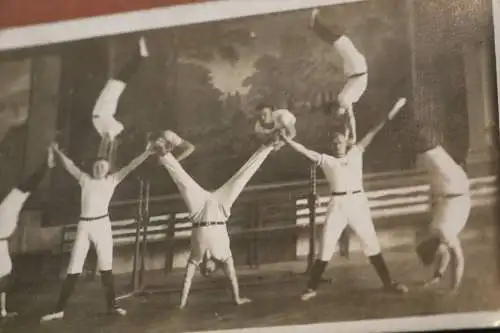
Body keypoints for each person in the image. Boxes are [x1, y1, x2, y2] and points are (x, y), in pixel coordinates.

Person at [281, 98, 409, 301]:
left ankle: (388, 283)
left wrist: (393, 108)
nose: (337, 144)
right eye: (333, 142)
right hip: (337, 205)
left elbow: (375, 129)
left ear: (347, 140)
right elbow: (304, 151)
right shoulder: (326, 160)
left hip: (358, 204)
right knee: (326, 246)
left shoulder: (356, 153)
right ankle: (311, 288)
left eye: (340, 141)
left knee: (371, 243)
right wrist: (287, 141)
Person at [153, 130, 280, 308]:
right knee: (240, 180)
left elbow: (187, 280)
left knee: (183, 182)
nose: (206, 269)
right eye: (209, 271)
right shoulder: (225, 257)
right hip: (220, 211)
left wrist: (182, 303)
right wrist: (237, 299)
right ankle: (268, 146)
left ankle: (163, 153)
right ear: (215, 268)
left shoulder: (194, 259)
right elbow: (233, 278)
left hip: (198, 213)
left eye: (203, 271)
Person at [40, 140, 155, 322]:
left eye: (103, 167)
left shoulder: (112, 180)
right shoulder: (85, 180)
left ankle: (112, 306)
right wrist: (56, 151)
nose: (100, 169)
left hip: (102, 226)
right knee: (74, 267)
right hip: (84, 226)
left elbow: (131, 166)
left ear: (107, 169)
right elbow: (70, 166)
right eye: (97, 166)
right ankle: (59, 309)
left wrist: (147, 152)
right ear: (93, 168)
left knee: (106, 267)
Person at [414, 123, 471, 293]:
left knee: (428, 157)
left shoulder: (438, 231)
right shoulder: (441, 231)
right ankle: (427, 137)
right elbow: (458, 259)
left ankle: (427, 138)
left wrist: (437, 277)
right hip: (456, 190)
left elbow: (445, 254)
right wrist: (454, 288)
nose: (419, 234)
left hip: (451, 194)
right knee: (428, 155)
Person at [0, 149, 54, 318]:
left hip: (2, 243)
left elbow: (29, 183)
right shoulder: (11, 201)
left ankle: (2, 310)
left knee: (4, 275)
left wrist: (47, 165)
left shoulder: (12, 200)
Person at [309, 8, 368, 144]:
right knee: (340, 41)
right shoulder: (346, 102)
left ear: (335, 109)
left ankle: (316, 25)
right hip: (357, 70)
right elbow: (349, 120)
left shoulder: (343, 101)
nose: (338, 117)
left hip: (356, 70)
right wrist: (351, 137)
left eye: (335, 115)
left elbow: (349, 120)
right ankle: (316, 24)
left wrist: (351, 136)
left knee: (339, 41)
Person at [92, 36, 149, 161]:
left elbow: (107, 143)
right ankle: (140, 56)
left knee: (120, 79)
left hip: (103, 110)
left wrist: (103, 157)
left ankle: (139, 56)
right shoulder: (116, 130)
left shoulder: (115, 131)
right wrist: (104, 157)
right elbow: (108, 142)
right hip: (104, 110)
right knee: (120, 79)